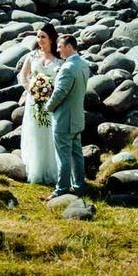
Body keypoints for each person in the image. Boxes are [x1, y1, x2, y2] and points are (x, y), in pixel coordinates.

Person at [16, 23, 61, 185]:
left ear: (51, 39)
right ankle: (35, 169)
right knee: (34, 132)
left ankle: (51, 170)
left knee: (49, 133)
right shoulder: (32, 56)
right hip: (33, 101)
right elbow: (23, 76)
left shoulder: (59, 59)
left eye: (43, 37)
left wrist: (51, 93)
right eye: (38, 36)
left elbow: (62, 81)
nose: (40, 40)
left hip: (51, 102)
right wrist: (32, 90)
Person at [47, 32, 90, 198]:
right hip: (78, 117)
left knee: (63, 155)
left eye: (60, 47)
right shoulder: (83, 64)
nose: (58, 50)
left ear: (70, 47)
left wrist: (48, 107)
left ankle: (61, 189)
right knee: (77, 154)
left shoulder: (68, 67)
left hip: (64, 118)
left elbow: (60, 92)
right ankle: (79, 185)